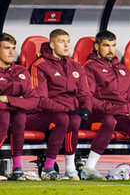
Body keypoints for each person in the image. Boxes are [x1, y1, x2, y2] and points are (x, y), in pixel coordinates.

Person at [82, 30, 130, 180]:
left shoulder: (122, 68)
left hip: (125, 115)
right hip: (104, 115)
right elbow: (89, 99)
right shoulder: (89, 67)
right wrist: (118, 109)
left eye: (113, 45)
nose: (111, 49)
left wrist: (128, 109)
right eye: (106, 45)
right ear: (96, 46)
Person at [27, 29, 92, 180]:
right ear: (52, 45)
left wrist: (86, 109)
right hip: (45, 113)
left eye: (68, 41)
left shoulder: (76, 66)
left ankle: (70, 168)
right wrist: (68, 110)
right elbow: (40, 99)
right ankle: (48, 167)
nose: (66, 45)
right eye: (61, 42)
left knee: (73, 119)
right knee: (65, 118)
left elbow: (85, 93)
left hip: (70, 113)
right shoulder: (40, 65)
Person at [0, 33, 39, 180]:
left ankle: (17, 167)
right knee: (4, 115)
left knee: (20, 116)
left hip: (14, 112)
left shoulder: (21, 71)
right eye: (6, 48)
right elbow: (24, 98)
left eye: (13, 48)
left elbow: (33, 101)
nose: (11, 52)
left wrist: (7, 97)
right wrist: (18, 94)